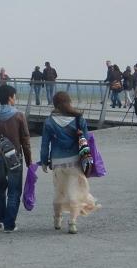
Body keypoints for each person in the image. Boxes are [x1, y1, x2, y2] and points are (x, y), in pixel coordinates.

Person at [39, 91, 100, 234]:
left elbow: (44, 144)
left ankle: (57, 219)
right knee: (75, 193)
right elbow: (85, 140)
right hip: (74, 161)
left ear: (55, 104)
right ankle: (72, 222)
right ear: (69, 102)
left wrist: (43, 161)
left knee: (59, 191)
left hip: (57, 162)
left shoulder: (49, 122)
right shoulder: (79, 119)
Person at [0, 84, 32, 232]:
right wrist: (28, 160)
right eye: (14, 96)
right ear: (10, 97)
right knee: (14, 190)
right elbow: (25, 140)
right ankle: (9, 224)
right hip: (15, 157)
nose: (15, 99)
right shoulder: (19, 115)